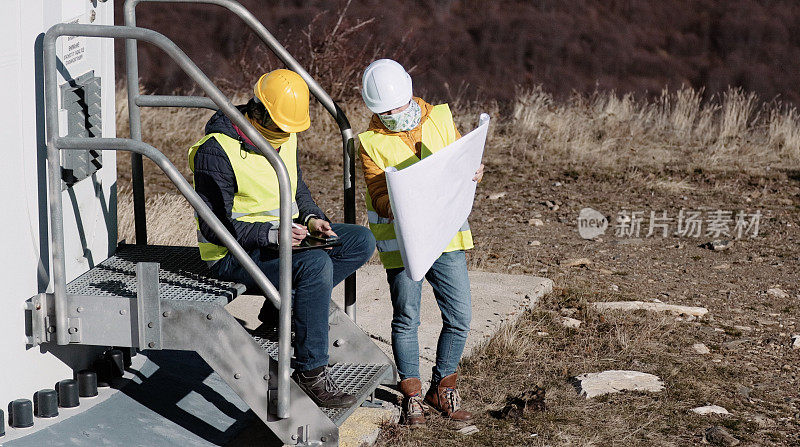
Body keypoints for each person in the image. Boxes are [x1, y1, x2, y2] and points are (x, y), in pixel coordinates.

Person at [188, 69, 376, 408]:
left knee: (360, 241)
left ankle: (281, 310)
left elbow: (296, 185)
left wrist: (312, 217)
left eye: (288, 129)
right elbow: (213, 225)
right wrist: (272, 234)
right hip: (233, 254)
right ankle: (311, 373)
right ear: (257, 110)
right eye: (277, 127)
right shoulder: (217, 150)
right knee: (315, 265)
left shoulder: (283, 134)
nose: (283, 136)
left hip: (280, 239)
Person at [357, 59, 484, 425]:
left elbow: (462, 160)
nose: (395, 114)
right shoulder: (370, 143)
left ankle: (442, 388)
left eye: (399, 106)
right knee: (407, 318)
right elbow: (378, 193)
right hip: (404, 243)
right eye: (386, 111)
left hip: (446, 235)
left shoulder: (441, 119)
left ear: (411, 95)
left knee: (460, 316)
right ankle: (411, 394)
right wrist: (399, 200)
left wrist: (476, 170)